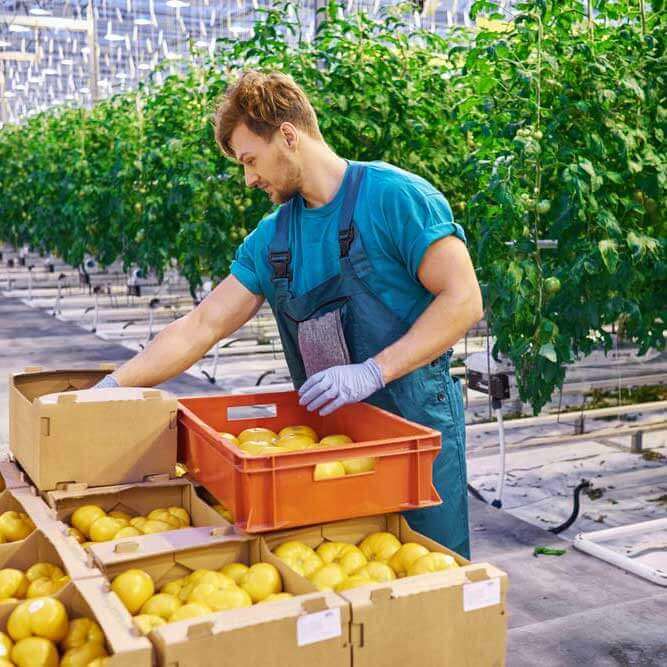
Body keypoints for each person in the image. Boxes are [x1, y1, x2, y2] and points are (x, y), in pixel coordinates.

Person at [96, 70, 483, 558]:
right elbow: (201, 325)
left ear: (287, 135)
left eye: (251, 160)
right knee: (343, 575)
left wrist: (373, 371)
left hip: (413, 441)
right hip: (327, 450)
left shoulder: (394, 198)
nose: (249, 178)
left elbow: (463, 299)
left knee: (430, 577)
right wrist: (112, 388)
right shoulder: (273, 238)